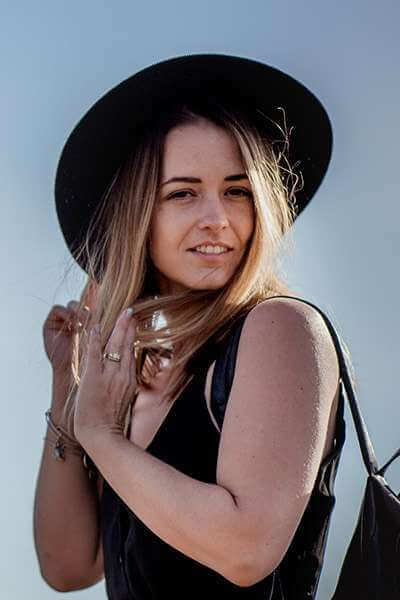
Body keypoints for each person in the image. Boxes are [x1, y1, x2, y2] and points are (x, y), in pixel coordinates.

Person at [33, 54, 346, 599]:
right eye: (183, 193)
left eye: (237, 191)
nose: (217, 219)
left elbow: (245, 549)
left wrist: (103, 437)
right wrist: (70, 388)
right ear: (138, 216)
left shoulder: (281, 329)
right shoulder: (135, 381)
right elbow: (68, 566)